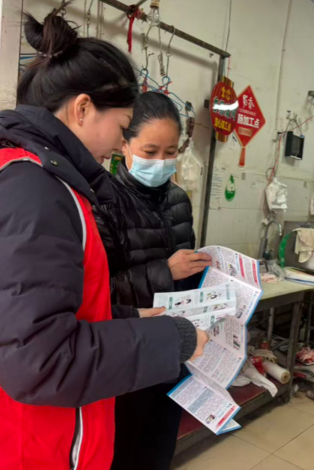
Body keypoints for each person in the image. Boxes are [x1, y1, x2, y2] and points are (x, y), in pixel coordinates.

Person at [0, 6, 208, 470]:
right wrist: (171, 339)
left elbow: (39, 313)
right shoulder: (29, 187)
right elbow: (39, 358)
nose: (119, 144)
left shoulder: (40, 180)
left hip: (7, 432)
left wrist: (130, 316)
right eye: (122, 127)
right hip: (5, 446)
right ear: (83, 108)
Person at [93, 92, 212, 470]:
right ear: (124, 145)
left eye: (170, 152)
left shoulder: (178, 199)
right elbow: (96, 293)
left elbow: (187, 277)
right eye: (150, 151)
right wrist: (165, 271)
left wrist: (214, 283)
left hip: (173, 349)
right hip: (126, 353)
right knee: (121, 452)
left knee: (159, 450)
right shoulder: (102, 202)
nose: (161, 162)